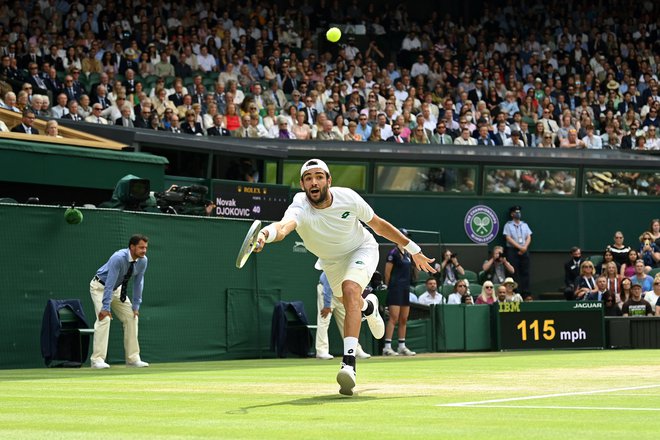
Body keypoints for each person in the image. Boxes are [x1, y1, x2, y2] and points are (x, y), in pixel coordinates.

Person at [254, 159, 435, 396]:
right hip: (331, 262)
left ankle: (348, 364)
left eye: (319, 176)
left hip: (361, 249)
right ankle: (369, 307)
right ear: (302, 184)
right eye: (308, 178)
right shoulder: (299, 204)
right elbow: (284, 227)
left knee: (351, 290)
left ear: (329, 180)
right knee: (352, 301)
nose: (314, 182)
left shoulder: (348, 198)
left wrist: (413, 249)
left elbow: (379, 226)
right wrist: (265, 234)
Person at [89, 234, 150, 369]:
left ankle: (133, 359)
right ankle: (97, 360)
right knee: (104, 319)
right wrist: (106, 307)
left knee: (132, 317)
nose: (144, 250)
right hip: (100, 287)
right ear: (132, 247)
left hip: (117, 290)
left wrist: (136, 305)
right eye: (141, 247)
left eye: (145, 248)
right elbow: (109, 283)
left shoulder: (143, 260)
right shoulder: (118, 258)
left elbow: (139, 282)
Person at [315, 272, 370, 360]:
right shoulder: (335, 267)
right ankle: (321, 351)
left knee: (348, 321)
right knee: (324, 321)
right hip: (326, 291)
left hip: (341, 293)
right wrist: (327, 305)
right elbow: (327, 285)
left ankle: (355, 349)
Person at [383, 228, 418, 357]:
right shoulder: (393, 253)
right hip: (395, 289)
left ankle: (402, 346)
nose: (406, 238)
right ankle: (387, 347)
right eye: (404, 235)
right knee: (393, 318)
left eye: (407, 236)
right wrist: (388, 288)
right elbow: (387, 273)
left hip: (405, 289)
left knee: (404, 319)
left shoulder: (408, 255)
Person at [503, 205, 532, 297]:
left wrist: (524, 247)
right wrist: (519, 247)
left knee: (525, 271)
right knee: (513, 272)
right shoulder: (508, 225)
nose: (518, 213)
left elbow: (529, 237)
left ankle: (526, 292)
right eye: (516, 212)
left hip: (524, 249)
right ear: (512, 214)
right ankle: (515, 291)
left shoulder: (525, 225)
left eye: (519, 212)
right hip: (512, 250)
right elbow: (508, 238)